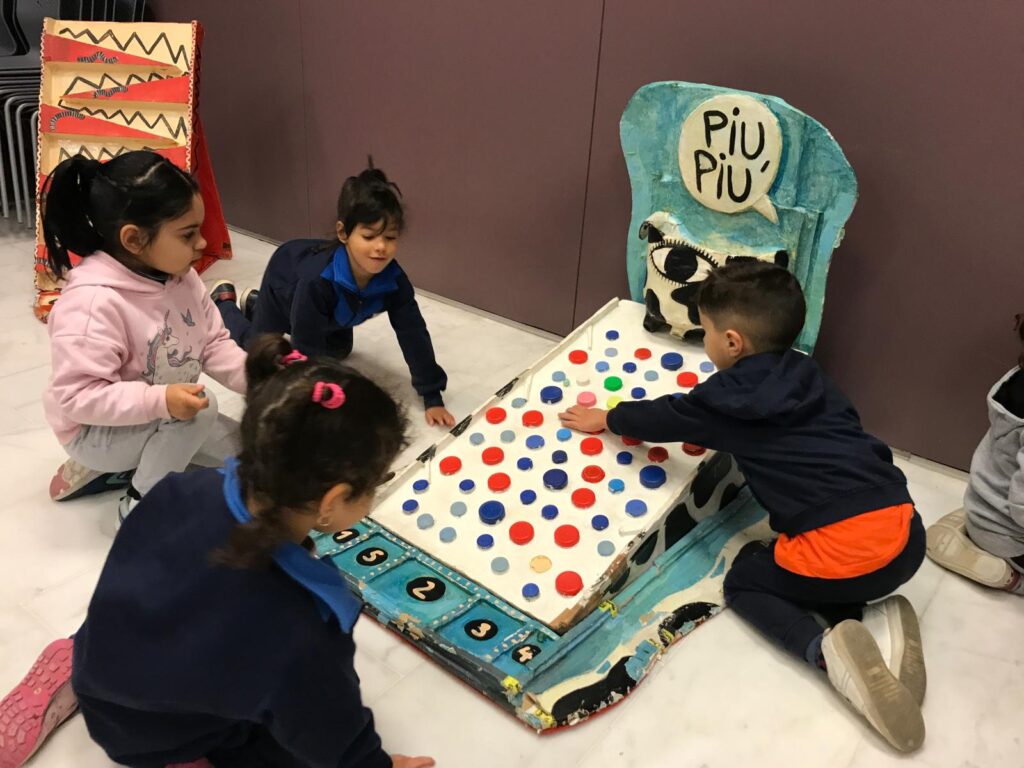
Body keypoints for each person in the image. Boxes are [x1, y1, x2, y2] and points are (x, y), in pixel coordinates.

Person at [0, 336, 434, 768]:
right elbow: (328, 729)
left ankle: (71, 663)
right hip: (156, 738)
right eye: (374, 484)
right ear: (332, 500)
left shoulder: (181, 487)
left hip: (101, 668)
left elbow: (135, 578)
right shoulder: (303, 622)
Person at [559, 261, 927, 752]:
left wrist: (608, 417)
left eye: (706, 331)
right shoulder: (809, 373)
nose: (706, 341)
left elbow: (667, 417)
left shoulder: (729, 400)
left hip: (845, 553)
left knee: (746, 578)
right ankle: (869, 620)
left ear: (733, 342)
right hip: (906, 534)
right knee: (827, 559)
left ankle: (827, 653)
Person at [41, 151, 246, 521]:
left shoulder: (182, 276)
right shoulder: (92, 303)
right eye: (188, 234)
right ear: (134, 239)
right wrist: (160, 401)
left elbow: (213, 345)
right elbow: (77, 398)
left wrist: (266, 378)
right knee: (203, 410)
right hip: (93, 431)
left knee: (252, 460)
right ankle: (140, 505)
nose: (203, 243)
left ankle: (135, 460)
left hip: (163, 411)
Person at [212, 161, 454, 427]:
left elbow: (413, 333)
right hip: (285, 281)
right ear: (343, 233)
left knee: (340, 351)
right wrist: (320, 406)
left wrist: (432, 395)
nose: (381, 247)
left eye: (390, 237)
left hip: (324, 311)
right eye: (369, 236)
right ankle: (224, 305)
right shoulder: (317, 283)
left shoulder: (394, 280)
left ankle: (256, 304)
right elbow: (306, 351)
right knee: (261, 355)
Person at [926, 313, 1024, 594]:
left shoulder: (1016, 378)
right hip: (1009, 536)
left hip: (984, 505)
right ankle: (1010, 579)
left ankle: (973, 526)